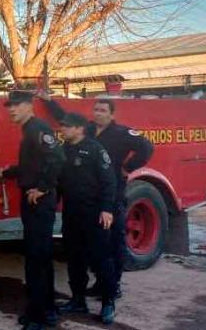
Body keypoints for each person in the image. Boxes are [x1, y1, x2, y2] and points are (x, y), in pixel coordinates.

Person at [39, 94, 153, 298]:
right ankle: (97, 285)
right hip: (89, 195)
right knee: (90, 245)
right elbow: (65, 117)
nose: (98, 114)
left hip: (112, 191)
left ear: (111, 114)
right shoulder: (88, 129)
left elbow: (146, 147)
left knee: (113, 240)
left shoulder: (122, 133)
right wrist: (48, 101)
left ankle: (113, 285)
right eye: (96, 110)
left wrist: (128, 167)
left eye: (103, 111)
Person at [1, 91, 65, 330]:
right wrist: (10, 172)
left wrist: (43, 188)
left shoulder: (37, 128)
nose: (11, 110)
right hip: (35, 200)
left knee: (36, 259)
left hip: (38, 202)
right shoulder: (29, 129)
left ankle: (37, 317)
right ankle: (47, 309)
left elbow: (57, 157)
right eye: (10, 106)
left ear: (29, 106)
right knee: (41, 257)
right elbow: (35, 164)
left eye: (16, 105)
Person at [56, 112, 117, 324]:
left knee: (100, 259)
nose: (62, 129)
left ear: (79, 129)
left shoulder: (95, 150)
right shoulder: (63, 150)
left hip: (95, 215)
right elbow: (58, 182)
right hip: (72, 214)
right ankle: (78, 299)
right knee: (75, 259)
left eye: (66, 126)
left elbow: (109, 182)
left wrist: (107, 209)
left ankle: (108, 302)